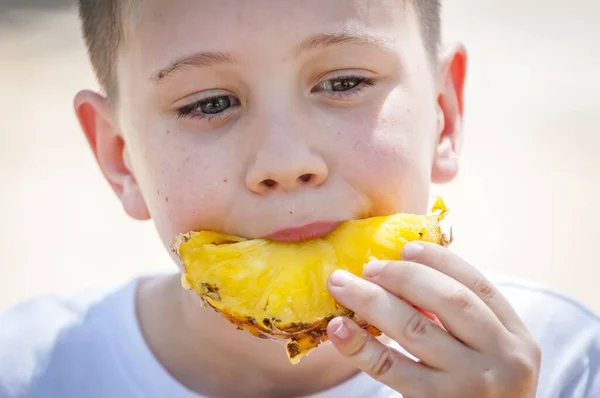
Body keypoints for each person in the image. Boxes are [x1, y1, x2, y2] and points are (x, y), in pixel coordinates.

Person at [1, 1, 598, 397]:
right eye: (209, 103)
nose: (286, 164)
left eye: (344, 83)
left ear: (443, 115)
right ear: (120, 156)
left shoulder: (563, 362)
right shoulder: (28, 371)